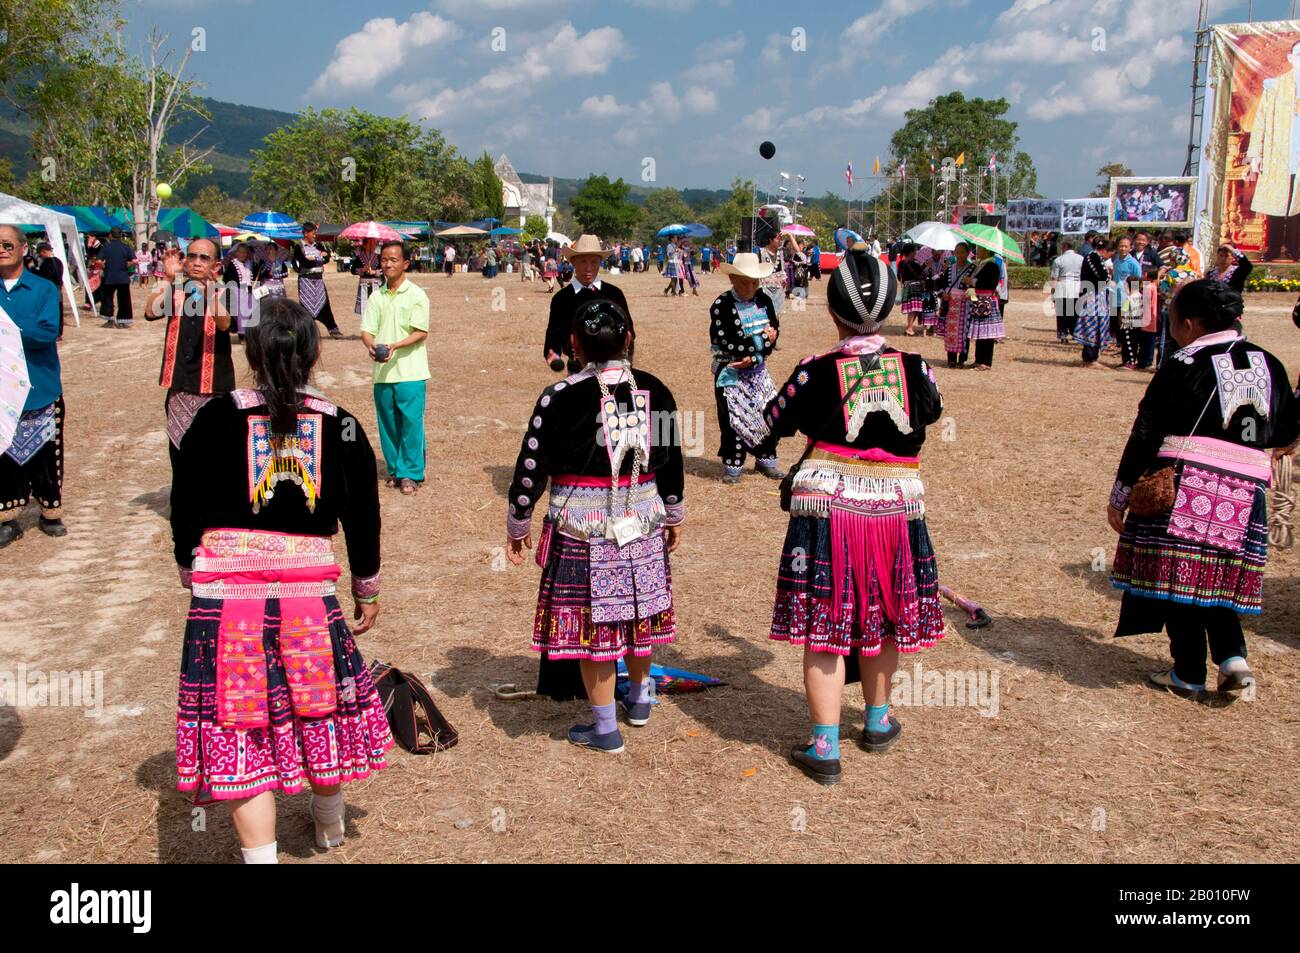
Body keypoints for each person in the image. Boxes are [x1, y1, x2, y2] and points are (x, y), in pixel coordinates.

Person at [169, 297, 392, 863]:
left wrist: (186, 563)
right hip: (308, 598)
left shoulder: (214, 418)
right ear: (314, 354)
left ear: (250, 351)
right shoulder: (340, 425)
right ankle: (329, 824)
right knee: (315, 701)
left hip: (225, 598)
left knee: (239, 722)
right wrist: (366, 586)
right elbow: (363, 513)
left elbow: (185, 503)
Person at [763, 246, 946, 785]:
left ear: (832, 311)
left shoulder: (814, 371)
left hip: (827, 511)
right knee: (884, 613)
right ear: (889, 307)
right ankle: (877, 721)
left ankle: (825, 749)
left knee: (825, 622)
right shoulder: (916, 369)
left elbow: (771, 422)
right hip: (895, 511)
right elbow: (933, 410)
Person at [505, 298, 685, 754]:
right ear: (627, 339)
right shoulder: (655, 391)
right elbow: (671, 462)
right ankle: (640, 701)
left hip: (582, 529)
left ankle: (605, 728)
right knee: (638, 613)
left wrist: (518, 520)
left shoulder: (559, 396)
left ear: (574, 344)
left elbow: (532, 465)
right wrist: (674, 511)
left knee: (597, 625)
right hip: (641, 521)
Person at [1107, 279, 1299, 700]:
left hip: (1186, 482)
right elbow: (1286, 427)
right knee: (1221, 576)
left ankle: (1189, 672)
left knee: (1183, 579)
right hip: (1248, 490)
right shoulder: (1270, 362)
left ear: (1189, 324)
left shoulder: (1183, 362)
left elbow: (1146, 430)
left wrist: (1120, 493)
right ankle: (1233, 658)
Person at [0, 225, 67, 548]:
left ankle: (50, 512)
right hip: (2, 391)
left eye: (7, 244)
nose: (2, 249)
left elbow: (46, 332)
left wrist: (6, 330)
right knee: (3, 457)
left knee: (46, 455)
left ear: (23, 248)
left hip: (40, 386)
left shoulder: (43, 289)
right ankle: (7, 517)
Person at [144, 238, 236, 463]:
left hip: (214, 387)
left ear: (216, 265)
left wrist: (208, 291)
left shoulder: (226, 292)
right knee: (179, 451)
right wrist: (167, 277)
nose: (196, 262)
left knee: (214, 451)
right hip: (180, 386)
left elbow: (225, 324)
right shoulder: (175, 289)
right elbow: (150, 312)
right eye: (191, 256)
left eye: (204, 258)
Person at [360, 241, 429, 495]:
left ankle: (411, 473)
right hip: (383, 373)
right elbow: (367, 331)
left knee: (411, 423)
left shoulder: (416, 295)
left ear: (406, 264)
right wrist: (371, 346)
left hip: (411, 371)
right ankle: (394, 469)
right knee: (387, 423)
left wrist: (394, 346)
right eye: (385, 259)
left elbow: (421, 331)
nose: (388, 264)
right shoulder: (376, 296)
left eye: (394, 260)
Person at [711, 252, 786, 484]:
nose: (751, 287)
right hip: (731, 372)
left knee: (767, 412)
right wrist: (763, 342)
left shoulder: (764, 299)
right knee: (734, 418)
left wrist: (758, 353)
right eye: (745, 281)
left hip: (758, 371)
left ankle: (765, 457)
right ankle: (733, 464)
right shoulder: (721, 305)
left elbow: (774, 328)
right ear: (732, 278)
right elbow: (729, 340)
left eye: (755, 281)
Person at [543, 234, 629, 373]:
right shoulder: (561, 298)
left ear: (600, 262)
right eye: (583, 261)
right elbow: (554, 335)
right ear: (573, 262)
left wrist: (627, 362)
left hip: (613, 371)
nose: (588, 268)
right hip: (578, 371)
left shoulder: (614, 294)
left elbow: (628, 331)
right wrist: (553, 355)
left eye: (594, 262)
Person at [1247, 40, 1300, 260]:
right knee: (1276, 202)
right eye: (1298, 54)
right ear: (1290, 57)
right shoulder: (1275, 86)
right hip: (1279, 152)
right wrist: (1255, 155)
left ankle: (1295, 248)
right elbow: (1260, 121)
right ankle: (1274, 247)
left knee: (1298, 205)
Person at [292, 222, 342, 338]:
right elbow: (303, 263)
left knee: (324, 303)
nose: (315, 235)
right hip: (306, 281)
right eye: (313, 233)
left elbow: (326, 258)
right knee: (305, 306)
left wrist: (321, 257)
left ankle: (332, 328)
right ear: (305, 233)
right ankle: (304, 331)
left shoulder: (318, 245)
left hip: (318, 280)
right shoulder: (299, 247)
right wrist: (318, 258)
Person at [1074, 237, 1114, 367]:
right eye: (1110, 253)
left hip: (1098, 296)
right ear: (1105, 251)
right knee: (1091, 324)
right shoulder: (1092, 257)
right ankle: (1090, 358)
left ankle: (1093, 356)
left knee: (1098, 324)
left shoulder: (1096, 258)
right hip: (1092, 296)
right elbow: (1102, 276)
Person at [965, 245, 1004, 370]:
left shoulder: (992, 266)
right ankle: (978, 359)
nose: (978, 252)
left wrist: (972, 282)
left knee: (987, 334)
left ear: (986, 251)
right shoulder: (979, 265)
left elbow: (990, 283)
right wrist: (971, 294)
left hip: (987, 301)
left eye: (980, 249)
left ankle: (985, 362)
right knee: (980, 332)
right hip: (978, 301)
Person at [1113, 236, 1145, 369]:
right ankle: (1125, 358)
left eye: (1126, 246)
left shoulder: (1133, 263)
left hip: (1129, 302)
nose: (1123, 248)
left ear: (1130, 247)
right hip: (1117, 299)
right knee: (1121, 332)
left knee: (1129, 332)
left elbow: (1137, 282)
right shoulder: (1116, 261)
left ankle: (1131, 360)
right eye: (1121, 245)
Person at [941, 241, 975, 367]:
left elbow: (973, 288)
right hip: (951, 305)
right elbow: (942, 285)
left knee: (964, 332)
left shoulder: (972, 269)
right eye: (957, 253)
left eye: (962, 253)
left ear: (967, 253)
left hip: (965, 305)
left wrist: (971, 294)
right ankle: (951, 359)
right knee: (951, 331)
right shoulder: (950, 268)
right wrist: (944, 294)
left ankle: (962, 359)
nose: (960, 255)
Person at [96, 226, 135, 329]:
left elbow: (98, 261)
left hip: (109, 277)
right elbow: (135, 261)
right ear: (121, 235)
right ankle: (122, 321)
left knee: (108, 298)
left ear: (110, 235)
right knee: (124, 299)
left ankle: (109, 320)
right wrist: (127, 265)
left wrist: (105, 266)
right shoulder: (126, 247)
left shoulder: (106, 247)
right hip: (123, 277)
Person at [222, 242, 257, 342]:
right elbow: (226, 279)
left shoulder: (251, 263)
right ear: (236, 253)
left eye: (244, 252)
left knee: (251, 313)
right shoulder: (233, 264)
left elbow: (256, 275)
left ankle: (250, 334)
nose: (242, 254)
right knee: (241, 315)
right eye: (240, 252)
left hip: (249, 291)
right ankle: (242, 335)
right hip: (237, 291)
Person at [1050, 239, 1084, 342]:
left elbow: (1055, 278)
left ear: (1064, 246)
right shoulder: (1081, 259)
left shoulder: (1058, 260)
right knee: (1075, 313)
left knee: (1062, 313)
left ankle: (1063, 334)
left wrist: (1053, 291)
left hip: (1062, 286)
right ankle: (1076, 334)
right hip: (1076, 287)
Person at [32, 241, 66, 337]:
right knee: (59, 310)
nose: (39, 255)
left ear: (43, 251)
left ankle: (53, 332)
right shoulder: (58, 261)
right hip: (58, 288)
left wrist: (33, 269)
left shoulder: (48, 262)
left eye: (39, 253)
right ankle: (59, 332)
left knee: (50, 310)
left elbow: (44, 277)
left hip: (50, 290)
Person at [350, 237, 382, 318]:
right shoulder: (359, 257)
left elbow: (384, 270)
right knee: (365, 310)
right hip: (364, 286)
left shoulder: (379, 257)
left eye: (374, 243)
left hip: (376, 286)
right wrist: (363, 269)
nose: (373, 245)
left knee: (377, 309)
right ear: (364, 245)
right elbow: (353, 270)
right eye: (370, 243)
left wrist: (375, 272)